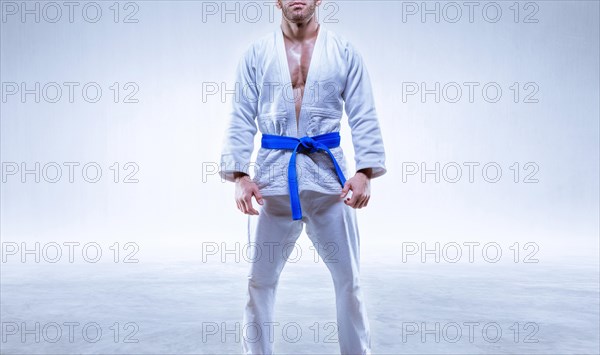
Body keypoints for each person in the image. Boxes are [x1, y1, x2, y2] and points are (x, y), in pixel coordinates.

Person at [219, 1, 386, 353]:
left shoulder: (342, 52)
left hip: (331, 183)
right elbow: (240, 116)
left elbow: (363, 112)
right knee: (258, 283)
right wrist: (239, 176)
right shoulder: (257, 54)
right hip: (272, 182)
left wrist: (365, 172)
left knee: (349, 282)